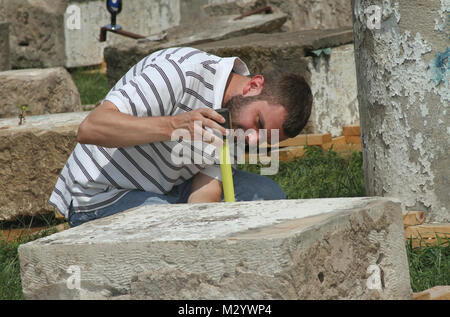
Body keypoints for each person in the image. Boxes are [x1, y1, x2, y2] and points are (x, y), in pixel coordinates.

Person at [49, 47, 313, 227]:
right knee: (168, 228)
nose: (252, 140)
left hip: (168, 189)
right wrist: (174, 125)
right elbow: (90, 128)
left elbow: (207, 186)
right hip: (101, 197)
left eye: (264, 140)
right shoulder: (180, 72)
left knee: (268, 197)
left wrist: (206, 225)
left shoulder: (237, 115)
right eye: (258, 123)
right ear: (253, 85)